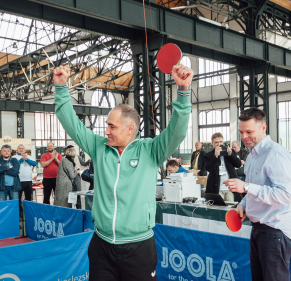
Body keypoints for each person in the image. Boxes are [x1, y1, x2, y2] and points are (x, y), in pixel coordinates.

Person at [54, 63, 193, 280]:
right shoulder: (99, 147)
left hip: (139, 247)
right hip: (102, 245)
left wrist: (183, 92)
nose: (105, 131)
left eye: (112, 126)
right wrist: (61, 89)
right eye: (106, 125)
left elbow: (177, 130)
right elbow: (71, 123)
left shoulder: (151, 150)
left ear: (130, 129)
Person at [225, 107, 291, 281]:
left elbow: (286, 195)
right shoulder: (251, 157)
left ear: (263, 128)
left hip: (276, 231)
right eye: (241, 132)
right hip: (258, 230)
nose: (243, 137)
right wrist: (243, 205)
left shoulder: (276, 154)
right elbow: (254, 191)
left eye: (249, 131)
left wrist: (247, 187)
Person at [203, 133, 242, 202]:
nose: (219, 144)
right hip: (216, 189)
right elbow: (209, 168)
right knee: (218, 209)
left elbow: (238, 164)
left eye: (220, 142)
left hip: (230, 188)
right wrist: (215, 156)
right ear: (212, 143)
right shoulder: (208, 155)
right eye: (216, 142)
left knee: (231, 209)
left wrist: (230, 154)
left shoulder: (229, 152)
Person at [14, 144, 37, 214]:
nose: (21, 149)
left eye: (22, 148)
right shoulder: (14, 157)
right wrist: (22, 159)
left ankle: (28, 212)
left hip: (28, 181)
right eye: (19, 148)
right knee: (18, 198)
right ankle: (19, 212)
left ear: (24, 150)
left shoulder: (29, 157)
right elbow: (14, 165)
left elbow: (34, 163)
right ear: (17, 150)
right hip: (19, 181)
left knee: (29, 198)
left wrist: (26, 159)